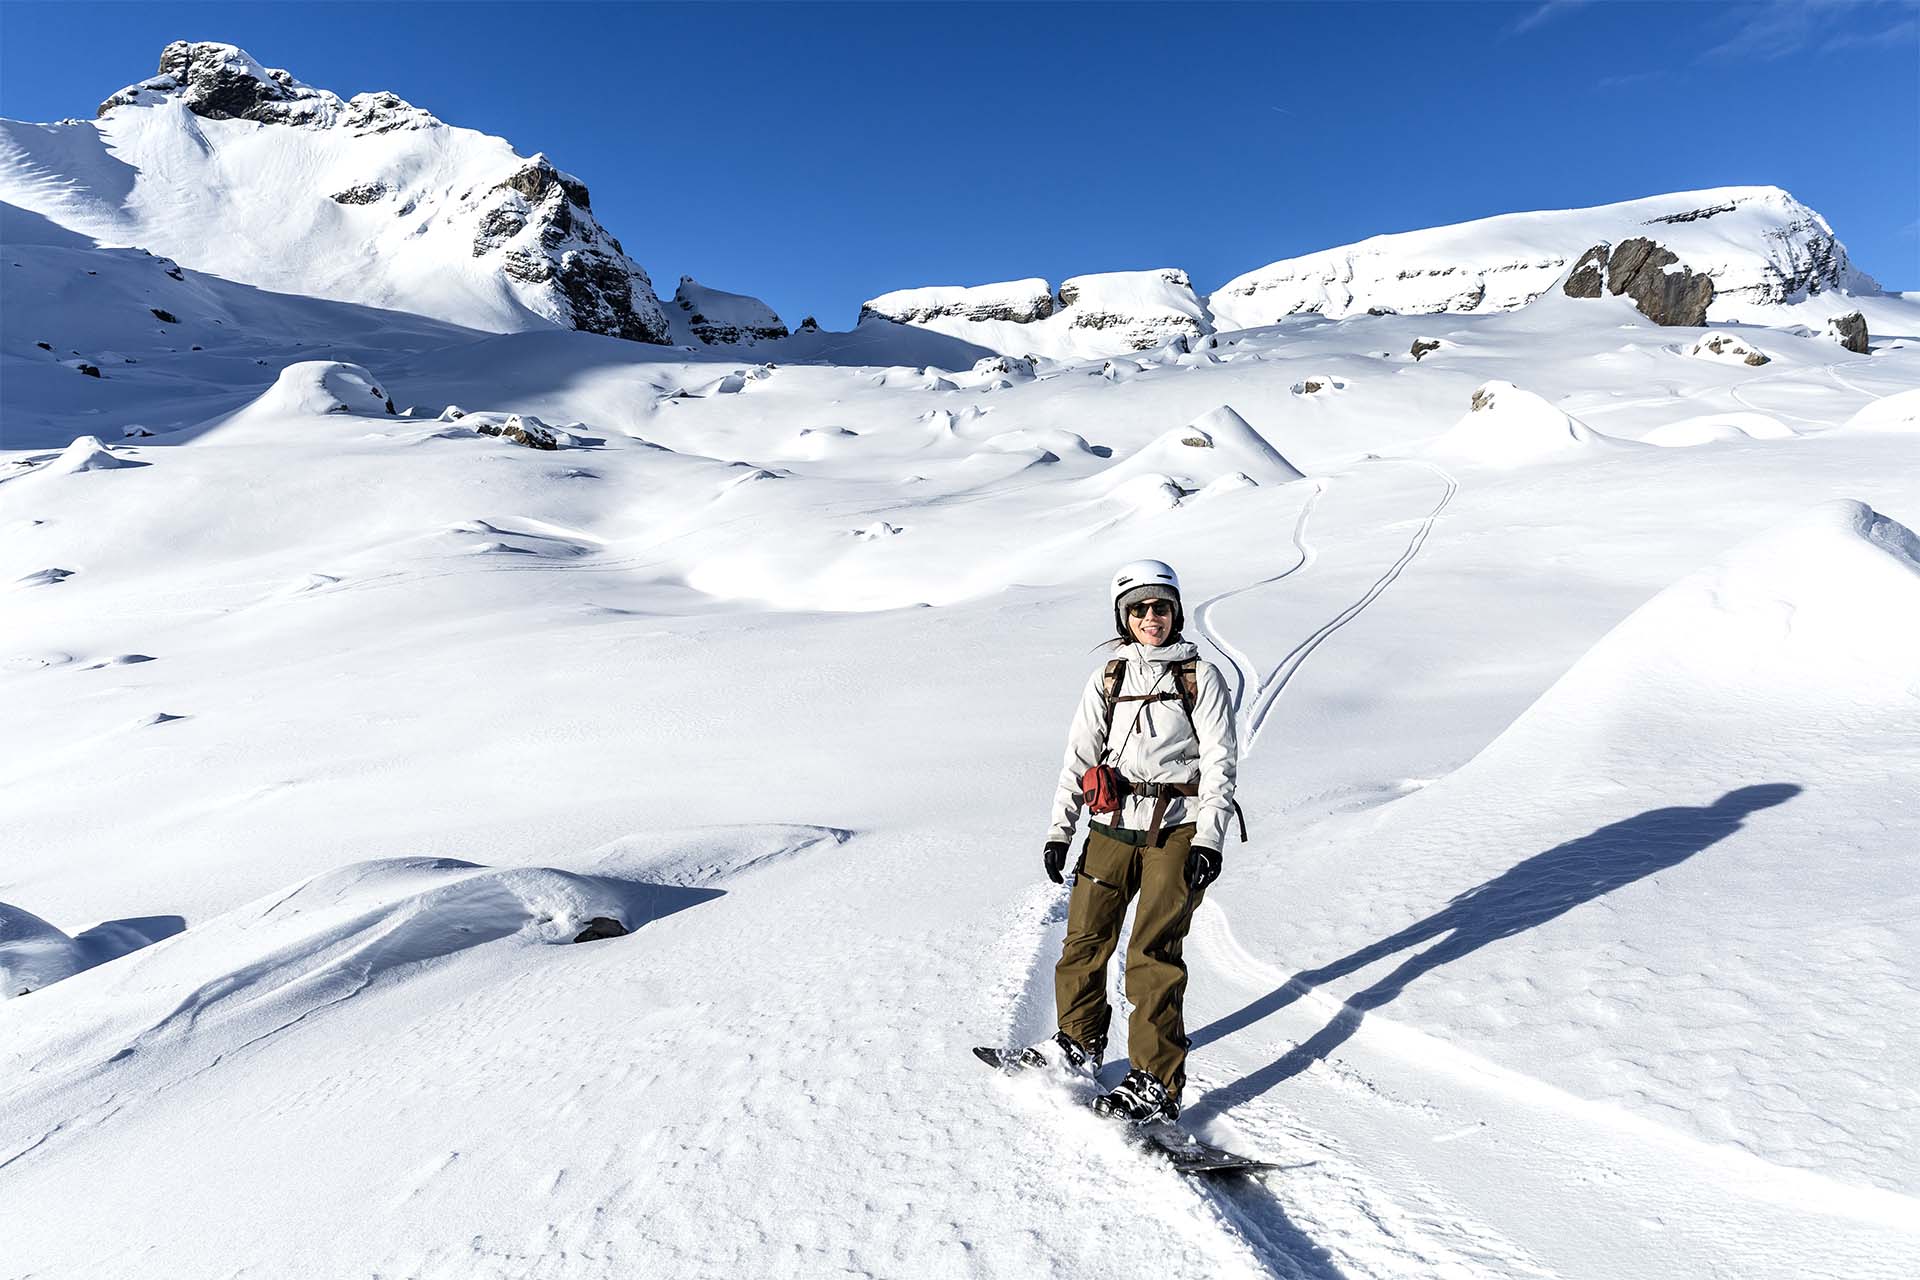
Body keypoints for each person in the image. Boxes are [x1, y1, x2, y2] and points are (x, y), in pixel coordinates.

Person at [1029, 558, 1241, 1123]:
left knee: (1152, 952)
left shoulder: (1200, 676)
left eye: (1162, 607)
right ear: (1126, 617)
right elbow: (1078, 756)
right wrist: (1059, 830)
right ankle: (1078, 1044)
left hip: (1177, 828)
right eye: (1141, 609)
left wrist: (1210, 839)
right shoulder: (1109, 676)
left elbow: (1221, 762)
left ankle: (1155, 1082)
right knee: (1084, 939)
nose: (1153, 618)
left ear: (1176, 611)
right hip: (1110, 824)